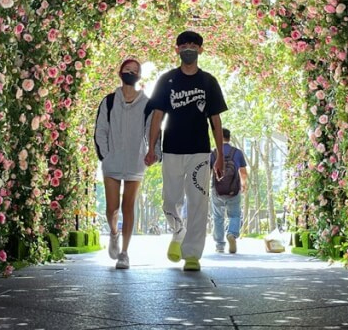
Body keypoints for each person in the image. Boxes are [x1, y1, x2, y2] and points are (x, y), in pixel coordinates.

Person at [145, 31, 227, 271]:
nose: (188, 48)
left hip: (199, 152)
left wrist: (219, 155)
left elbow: (216, 120)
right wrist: (151, 147)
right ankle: (177, 232)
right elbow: (157, 116)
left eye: (193, 45)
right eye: (184, 45)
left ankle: (192, 254)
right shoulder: (167, 80)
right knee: (170, 200)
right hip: (172, 149)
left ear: (201, 50)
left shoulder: (208, 81)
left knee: (198, 201)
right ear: (177, 49)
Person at [95, 58, 153, 270]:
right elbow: (101, 129)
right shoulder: (109, 101)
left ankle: (125, 253)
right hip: (112, 161)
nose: (130, 72)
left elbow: (151, 130)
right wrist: (106, 155)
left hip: (135, 162)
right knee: (112, 208)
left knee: (128, 207)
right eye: (127, 69)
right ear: (120, 72)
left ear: (139, 76)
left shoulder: (147, 104)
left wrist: (151, 153)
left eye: (135, 70)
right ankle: (113, 233)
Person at [210, 128, 248, 253]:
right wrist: (243, 184)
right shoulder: (237, 152)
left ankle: (220, 245)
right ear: (229, 138)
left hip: (217, 190)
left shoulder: (213, 153)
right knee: (235, 215)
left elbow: (208, 172)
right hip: (233, 189)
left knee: (218, 217)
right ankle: (231, 234)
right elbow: (243, 172)